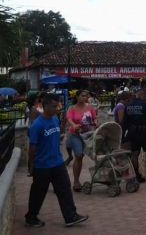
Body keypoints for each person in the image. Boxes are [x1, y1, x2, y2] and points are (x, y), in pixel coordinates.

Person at [25, 93, 88, 228]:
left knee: (64, 189)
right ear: (45, 106)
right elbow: (32, 147)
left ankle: (71, 216)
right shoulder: (37, 125)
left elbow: (56, 137)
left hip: (57, 162)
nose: (57, 109)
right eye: (54, 106)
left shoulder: (54, 119)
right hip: (42, 165)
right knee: (38, 193)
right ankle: (31, 217)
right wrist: (31, 165)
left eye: (58, 106)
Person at [65, 90, 97, 192]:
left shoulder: (90, 107)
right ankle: (76, 181)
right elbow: (69, 118)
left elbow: (95, 118)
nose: (85, 97)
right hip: (75, 134)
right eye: (82, 96)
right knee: (78, 155)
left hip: (87, 135)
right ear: (77, 97)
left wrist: (95, 123)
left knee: (83, 156)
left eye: (86, 96)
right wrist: (74, 125)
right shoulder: (72, 108)